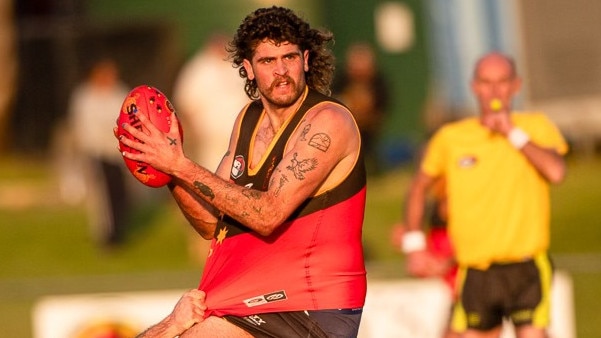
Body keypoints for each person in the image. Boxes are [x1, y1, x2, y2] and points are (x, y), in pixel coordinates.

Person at [119, 6, 366, 337]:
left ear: (305, 60)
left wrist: (181, 165)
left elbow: (268, 213)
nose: (281, 71)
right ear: (248, 69)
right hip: (244, 302)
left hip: (307, 307)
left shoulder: (327, 123)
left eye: (289, 57)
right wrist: (168, 169)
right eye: (267, 61)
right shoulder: (248, 121)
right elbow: (211, 222)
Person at [399, 52, 568, 338]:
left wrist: (511, 132)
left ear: (516, 85)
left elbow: (556, 172)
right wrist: (414, 245)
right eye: (486, 82)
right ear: (474, 86)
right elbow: (418, 186)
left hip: (525, 265)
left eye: (502, 82)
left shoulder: (535, 126)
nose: (494, 91)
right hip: (475, 268)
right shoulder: (451, 138)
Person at [68, 57, 131, 247]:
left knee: (120, 194)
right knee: (103, 198)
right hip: (97, 154)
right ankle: (107, 236)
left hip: (118, 154)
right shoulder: (85, 97)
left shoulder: (120, 93)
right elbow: (84, 129)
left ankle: (120, 229)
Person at [333, 42, 390, 174]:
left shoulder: (378, 81)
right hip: (345, 122)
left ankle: (375, 170)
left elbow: (382, 104)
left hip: (368, 125)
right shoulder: (341, 79)